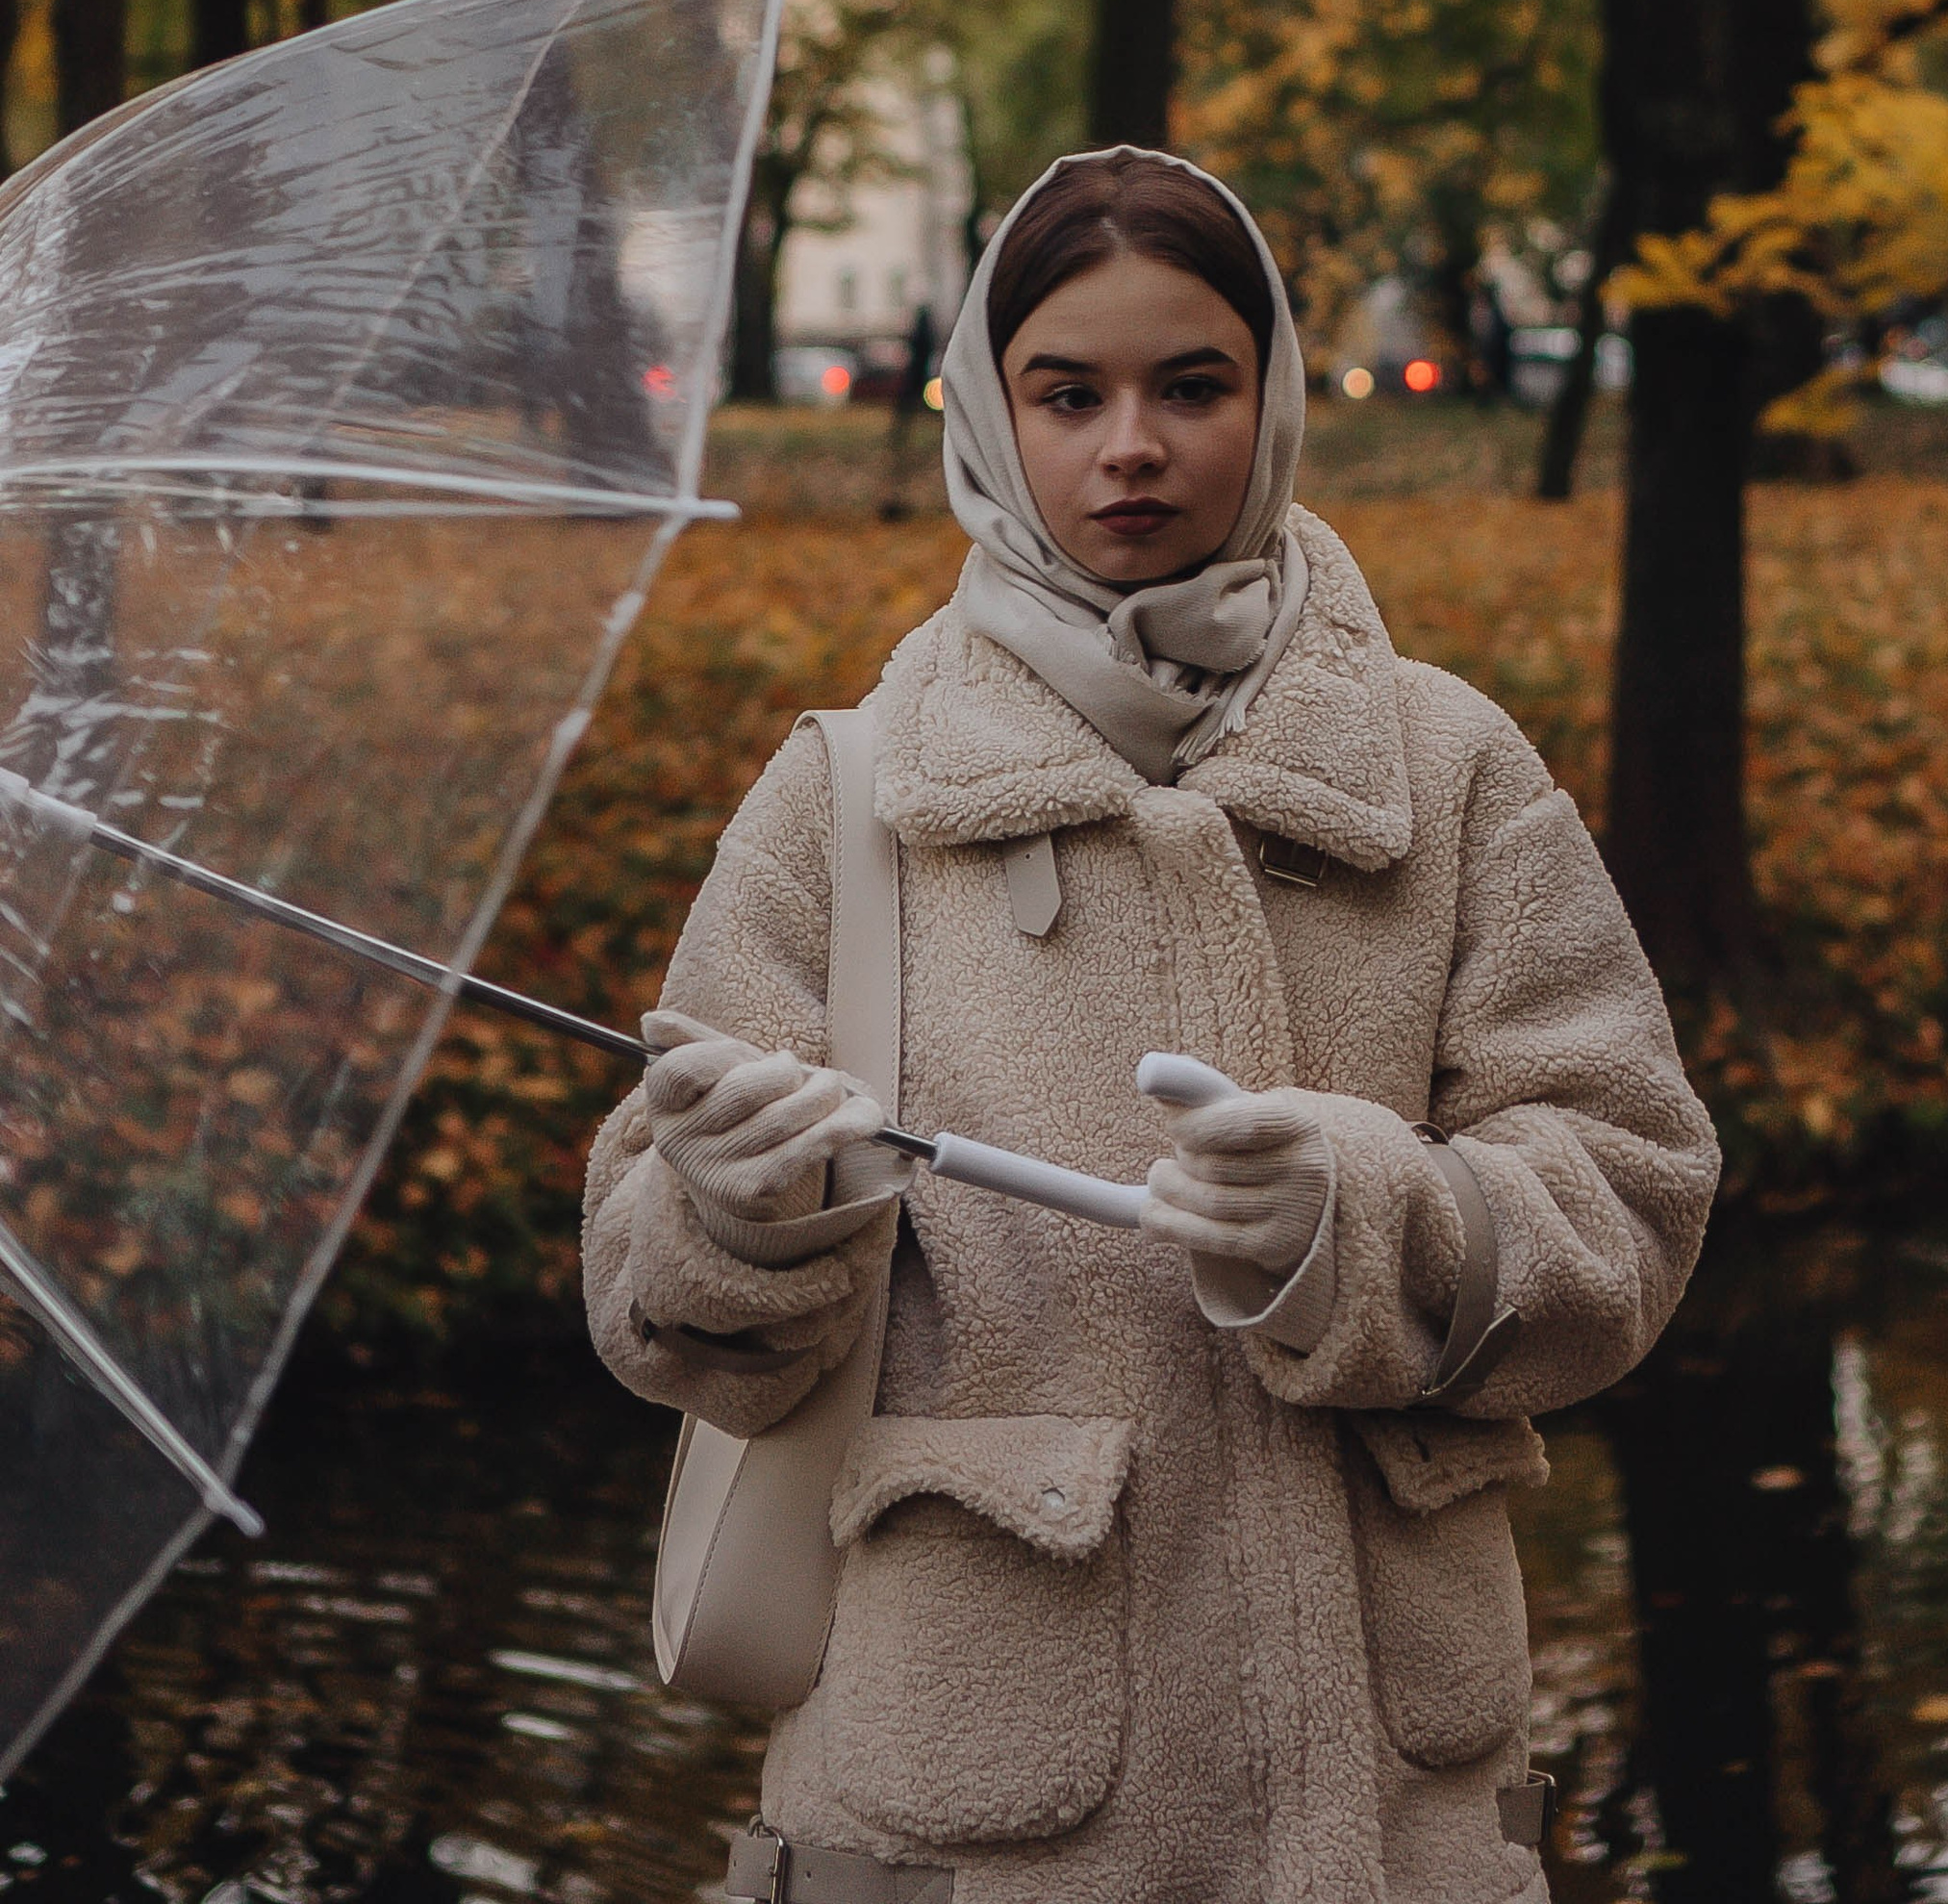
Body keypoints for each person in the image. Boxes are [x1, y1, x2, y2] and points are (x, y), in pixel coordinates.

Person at [583, 148, 1718, 1904]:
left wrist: (1362, 1218)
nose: (1132, 446)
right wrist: (737, 1218)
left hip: (1394, 1824)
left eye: (1192, 387)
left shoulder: (1448, 768)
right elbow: (648, 1296)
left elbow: (1632, 1188)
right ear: (991, 417)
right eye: (1069, 394)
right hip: (970, 1812)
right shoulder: (847, 799)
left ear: (1270, 404)